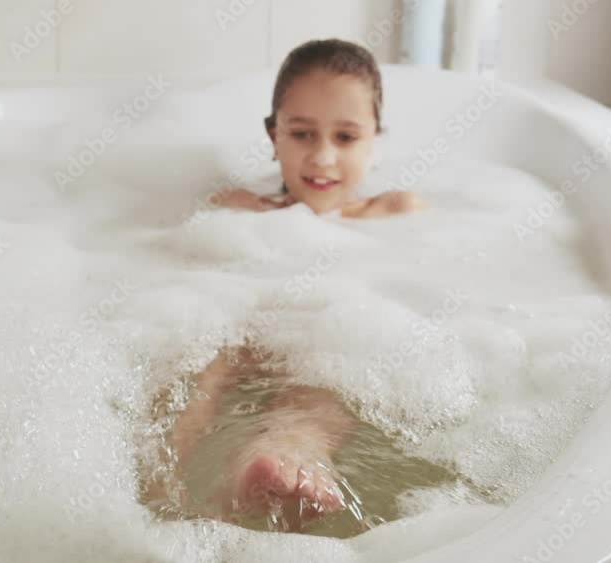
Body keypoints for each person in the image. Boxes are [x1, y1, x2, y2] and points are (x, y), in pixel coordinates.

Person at [158, 38, 423, 532]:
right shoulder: (238, 207)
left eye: (346, 138)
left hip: (327, 326)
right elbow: (188, 281)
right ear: (273, 135)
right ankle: (158, 494)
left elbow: (421, 285)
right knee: (201, 369)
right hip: (241, 321)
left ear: (375, 140)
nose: (322, 158)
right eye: (302, 134)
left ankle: (284, 456)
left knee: (322, 384)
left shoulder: (396, 211)